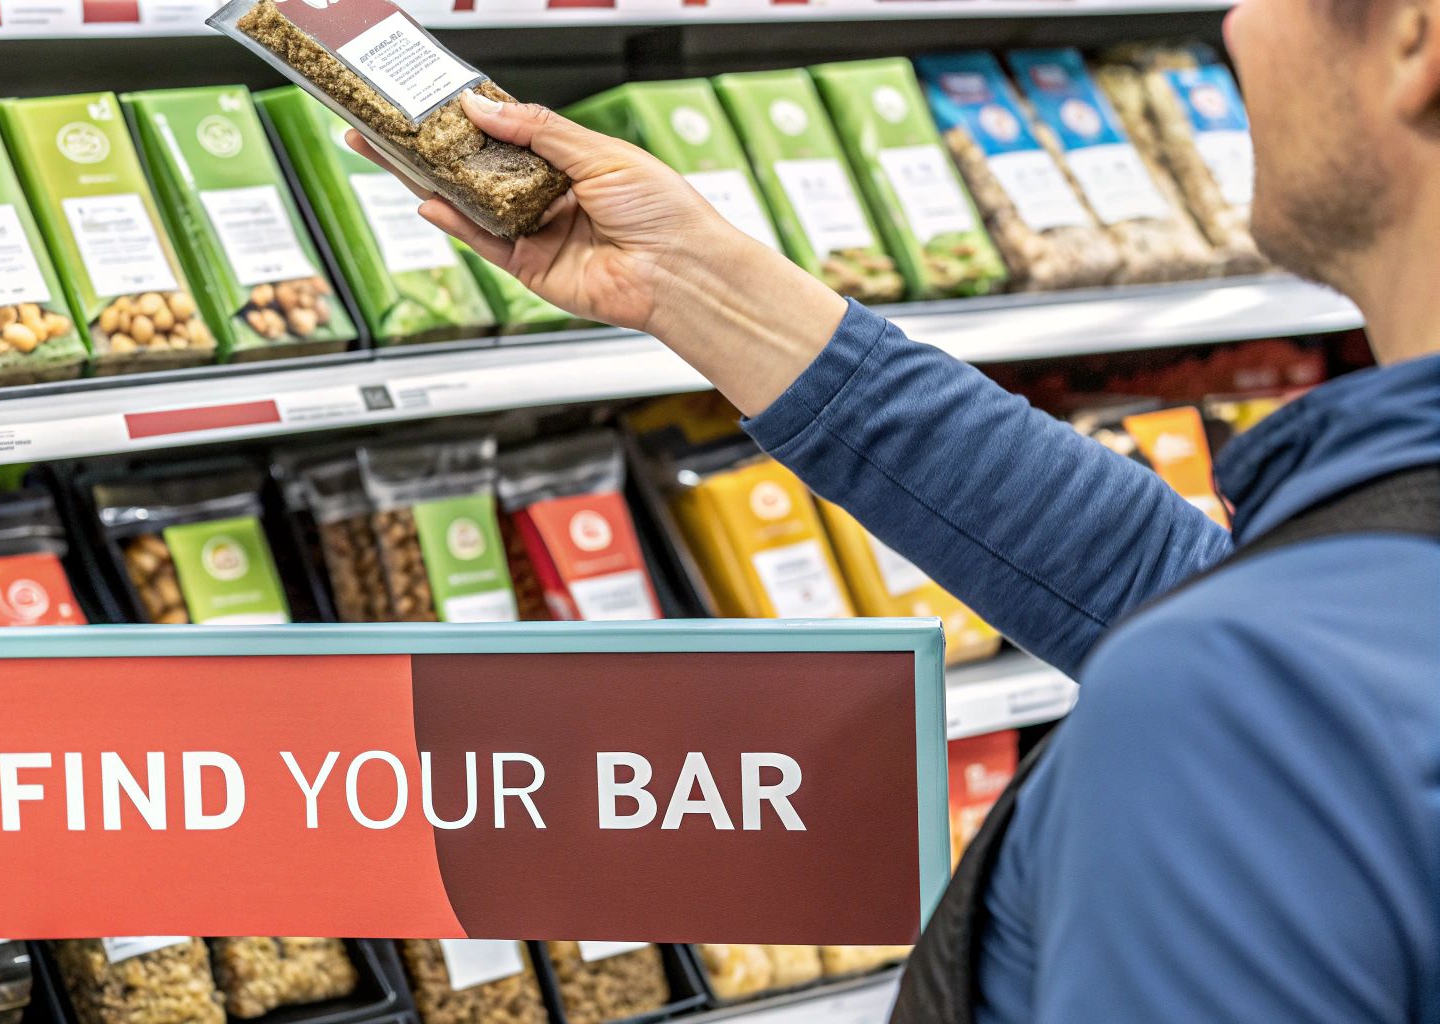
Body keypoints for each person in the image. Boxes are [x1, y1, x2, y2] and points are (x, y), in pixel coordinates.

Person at [350, 0, 1440, 1019]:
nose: (1235, 25)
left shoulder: (1237, 706)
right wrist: (694, 283)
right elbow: (1158, 581)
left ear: (1411, 39)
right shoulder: (1329, 619)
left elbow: (1238, 652)